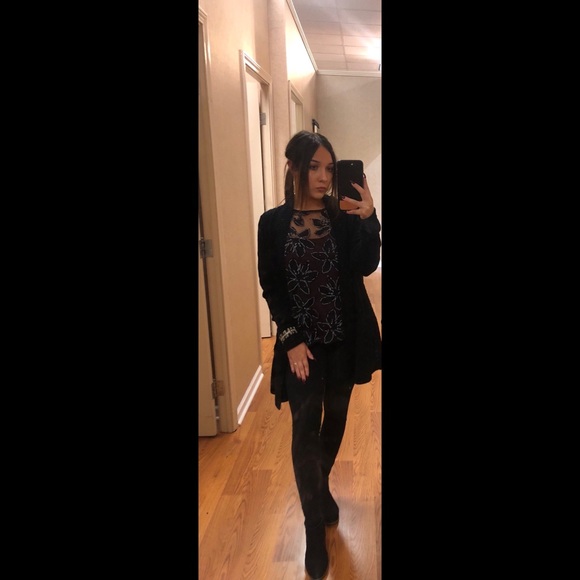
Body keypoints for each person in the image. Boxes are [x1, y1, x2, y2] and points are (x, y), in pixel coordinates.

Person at [257, 130, 382, 579]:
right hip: (302, 347)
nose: (324, 177)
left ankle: (318, 486)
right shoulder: (272, 223)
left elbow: (366, 265)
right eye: (314, 167)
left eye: (329, 168)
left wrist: (370, 219)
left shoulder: (342, 217)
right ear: (294, 167)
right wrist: (290, 339)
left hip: (344, 339)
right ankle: (313, 525)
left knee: (337, 419)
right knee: (305, 428)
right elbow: (271, 285)